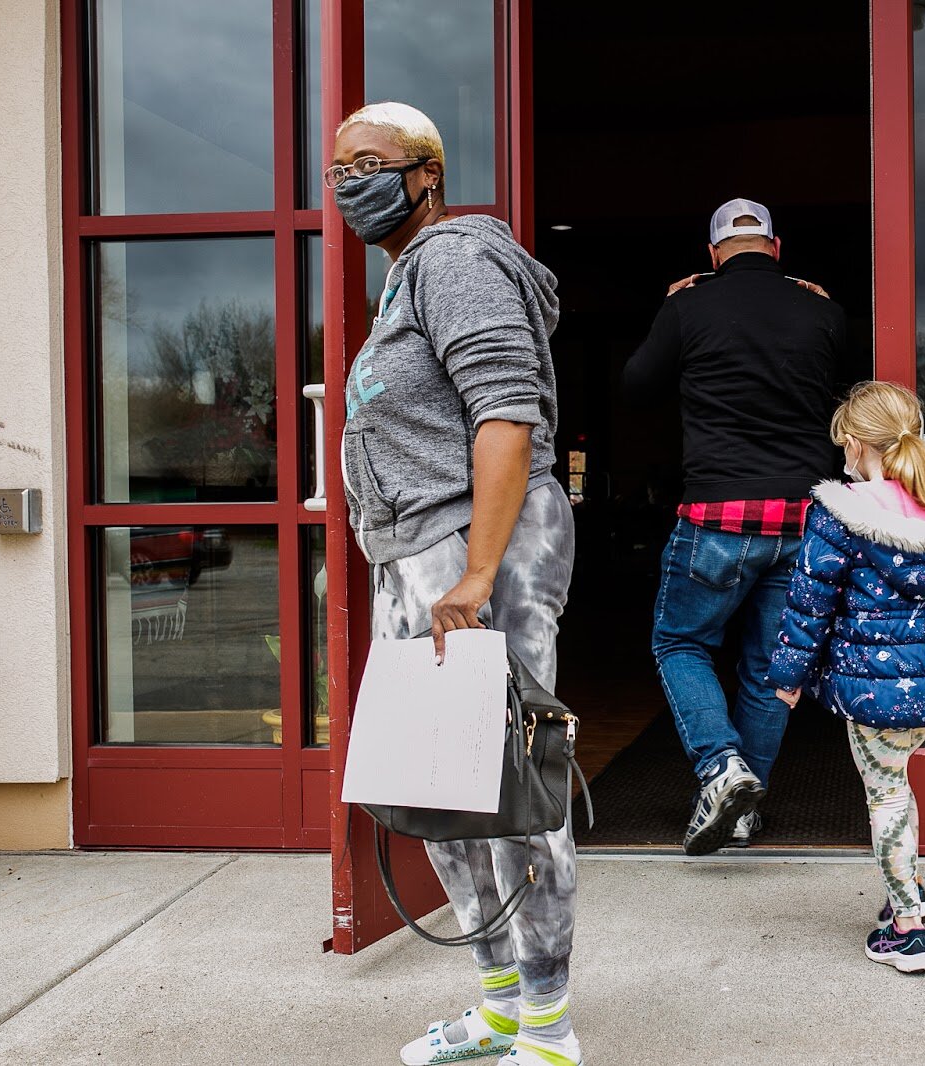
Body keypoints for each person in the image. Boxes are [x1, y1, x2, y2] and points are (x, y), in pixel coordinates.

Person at [329, 102, 582, 1066]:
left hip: (478, 553)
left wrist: (477, 571)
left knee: (512, 792)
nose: (352, 181)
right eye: (338, 169)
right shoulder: (406, 278)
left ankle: (551, 1036)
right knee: (433, 789)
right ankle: (499, 1007)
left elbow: (506, 413)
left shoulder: (456, 261)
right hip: (415, 558)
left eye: (372, 162)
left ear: (426, 173)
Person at [624, 197, 848, 855]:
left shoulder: (689, 305)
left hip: (718, 514)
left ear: (714, 253)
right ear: (777, 249)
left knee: (680, 643)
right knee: (770, 667)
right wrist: (826, 311)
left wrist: (670, 309)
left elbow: (636, 387)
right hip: (803, 516)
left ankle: (720, 766)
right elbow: (847, 387)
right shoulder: (822, 311)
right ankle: (744, 812)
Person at [767, 382, 925, 973]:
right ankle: (910, 891)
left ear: (851, 441)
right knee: (898, 783)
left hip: (872, 686)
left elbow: (808, 599)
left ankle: (908, 930)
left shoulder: (844, 511)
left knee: (885, 792)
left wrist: (788, 674)